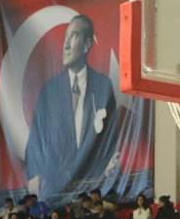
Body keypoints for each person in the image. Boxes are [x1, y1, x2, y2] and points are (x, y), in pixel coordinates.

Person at [24, 14, 120, 202]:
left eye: (73, 36)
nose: (66, 45)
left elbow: (112, 139)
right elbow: (35, 143)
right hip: (55, 187)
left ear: (86, 45)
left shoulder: (103, 86)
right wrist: (36, 176)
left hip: (94, 184)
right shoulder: (49, 91)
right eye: (65, 37)